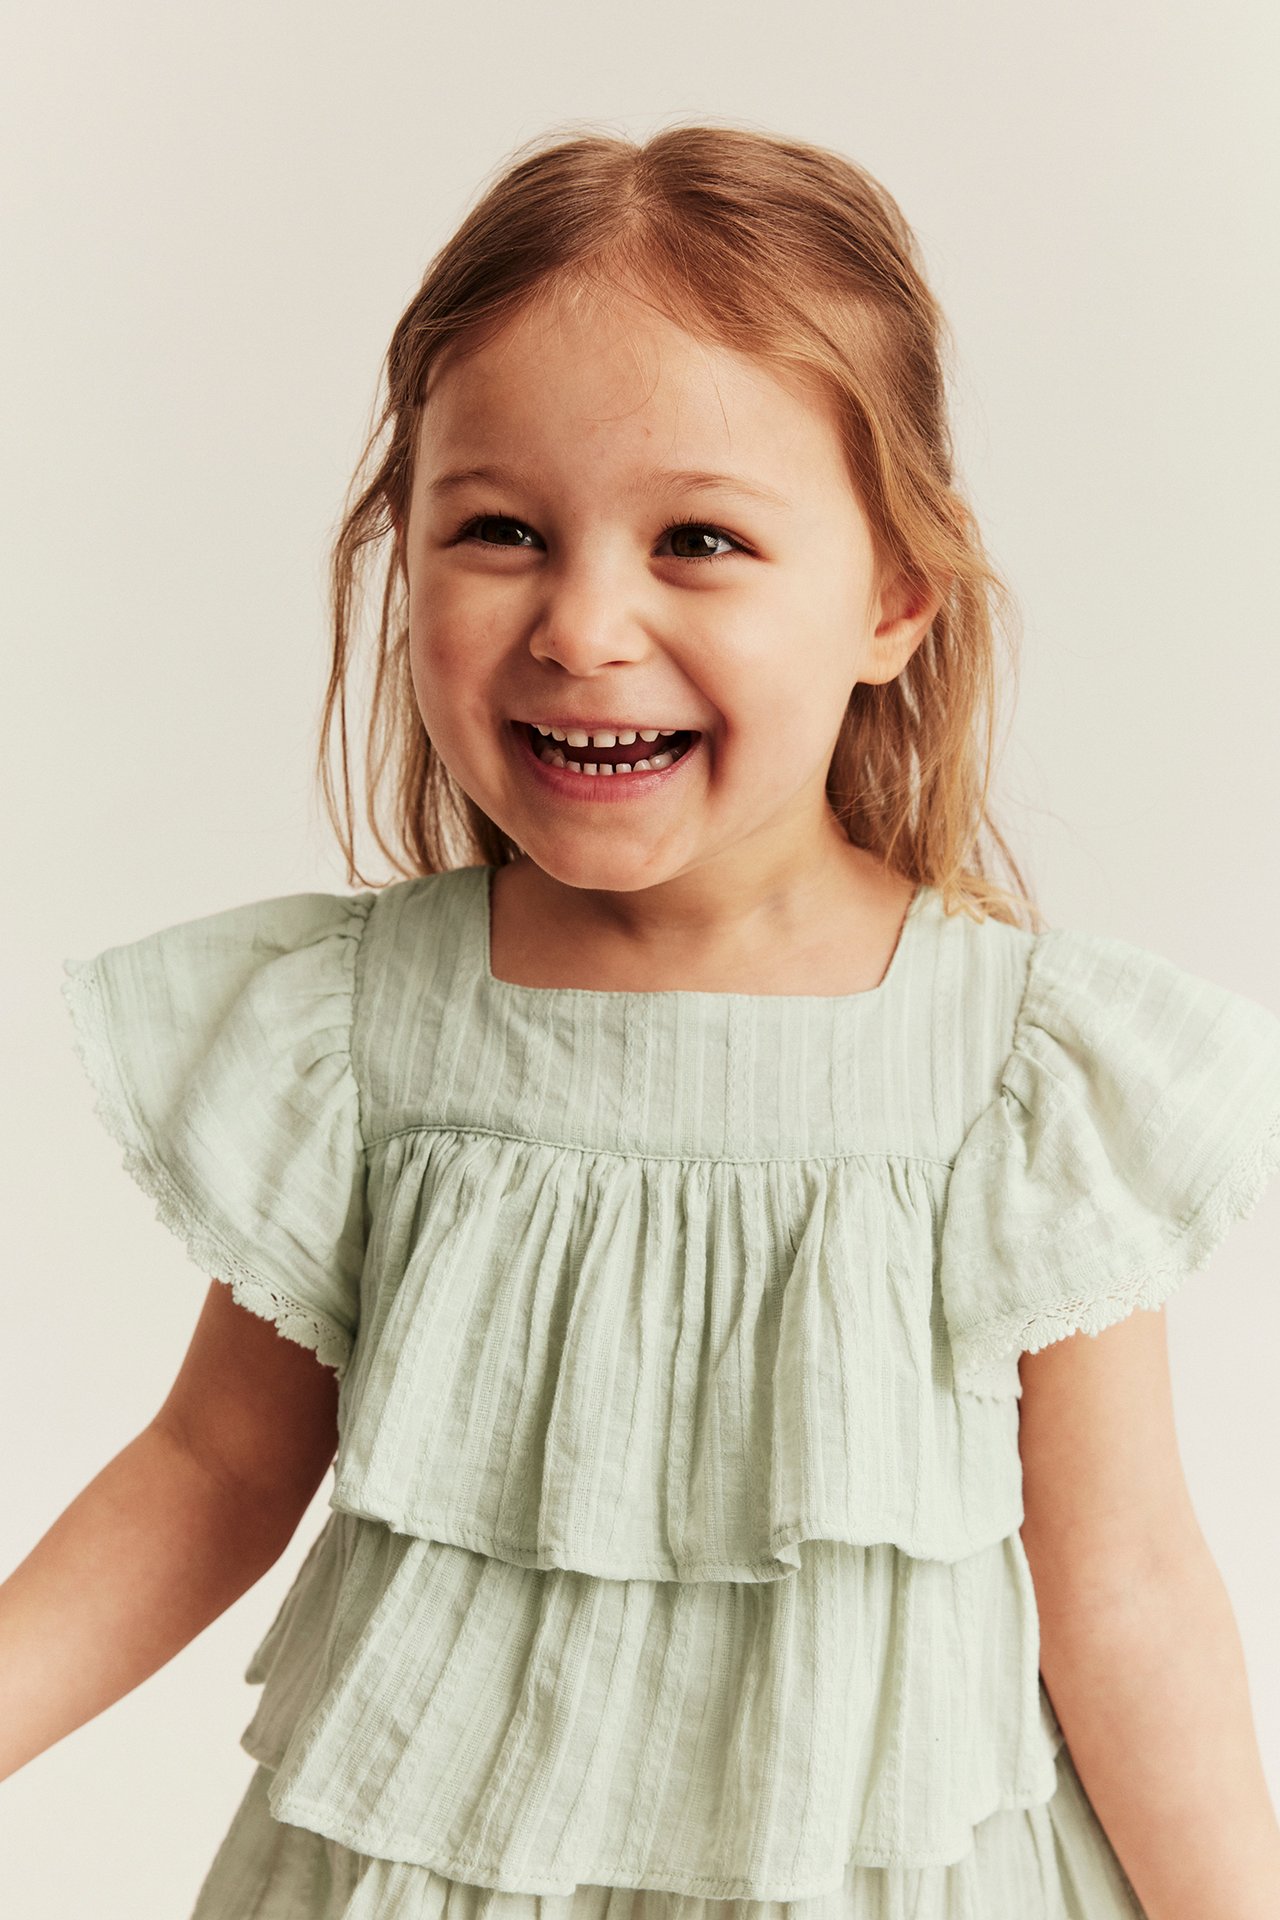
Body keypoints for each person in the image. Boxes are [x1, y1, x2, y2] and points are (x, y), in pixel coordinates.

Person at [6, 122, 1280, 1919]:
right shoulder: (363, 1031)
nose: (585, 623)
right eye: (501, 530)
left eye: (698, 538)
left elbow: (1128, 1578)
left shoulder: (1016, 1070)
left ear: (894, 598)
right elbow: (213, 1464)